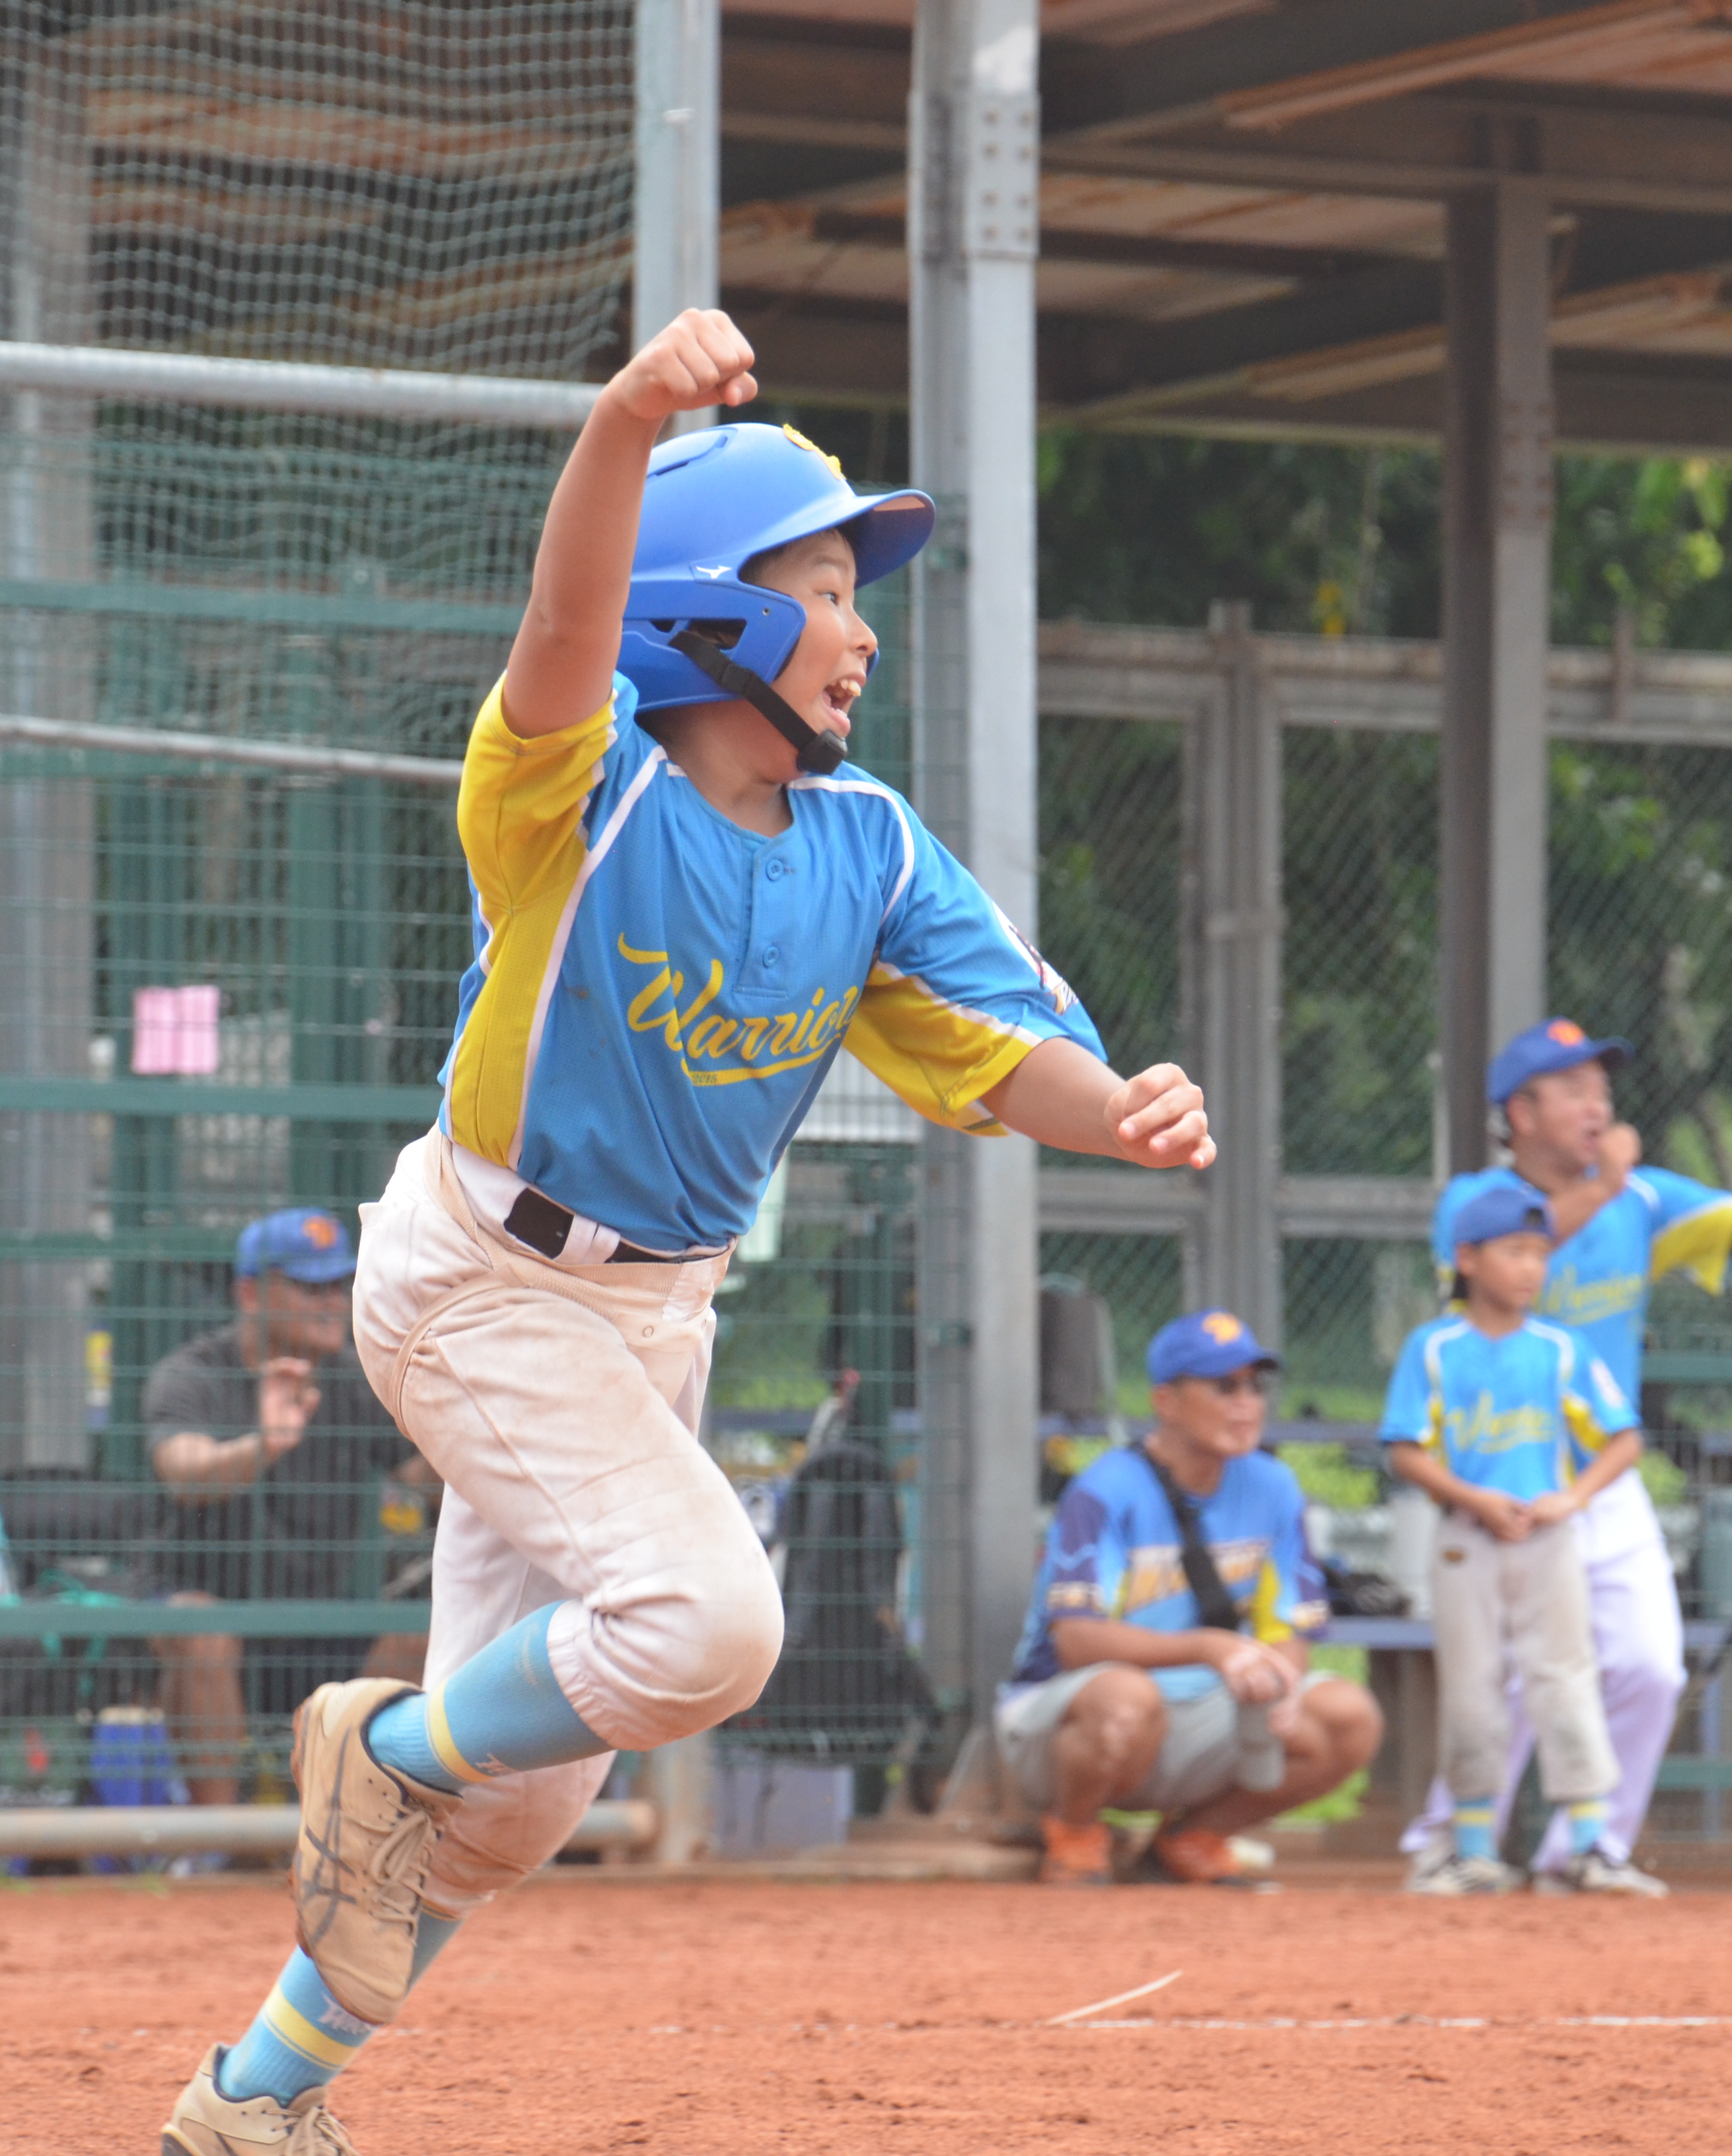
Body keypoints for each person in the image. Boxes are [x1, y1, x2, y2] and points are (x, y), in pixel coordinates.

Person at [158, 311, 1213, 2156]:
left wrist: (1117, 1111)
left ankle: (256, 2099)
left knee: (527, 1807)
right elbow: (566, 635)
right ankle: (379, 1747)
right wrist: (627, 424)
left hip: (656, 1318)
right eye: (824, 586)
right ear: (709, 613)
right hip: (483, 1279)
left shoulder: (868, 844)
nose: (866, 627)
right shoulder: (577, 798)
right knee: (710, 1630)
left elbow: (1001, 1050)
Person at [1399, 1017, 1732, 1891]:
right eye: (1574, 1089)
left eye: (1602, 1089)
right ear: (1522, 1109)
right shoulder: (1473, 1200)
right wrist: (1607, 1185)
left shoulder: (1645, 1198)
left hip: (1596, 1475)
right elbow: (1495, 1258)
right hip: (1495, 1477)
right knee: (1505, 1675)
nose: (1598, 1106)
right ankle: (1450, 1842)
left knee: (1648, 1666)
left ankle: (1587, 1851)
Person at [998, 1310, 1379, 1888]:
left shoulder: (1273, 1487)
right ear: (1167, 1402)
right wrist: (1211, 1648)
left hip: (1198, 1712)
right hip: (1065, 1721)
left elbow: (1287, 1626)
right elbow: (1076, 1642)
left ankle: (1192, 1839)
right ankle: (1074, 1831)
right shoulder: (1105, 1491)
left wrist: (1283, 1683)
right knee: (1126, 1699)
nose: (1246, 1404)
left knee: (1348, 1718)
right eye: (1223, 1387)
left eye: (1254, 1387)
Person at [1383, 1185, 1651, 1896]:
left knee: (1564, 1679)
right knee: (1472, 1688)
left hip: (1547, 1537)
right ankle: (1472, 1850)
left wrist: (1572, 1497)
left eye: (1538, 1253)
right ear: (1466, 1259)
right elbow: (1403, 1450)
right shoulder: (1434, 1347)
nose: (1530, 1268)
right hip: (1465, 1538)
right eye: (1512, 1252)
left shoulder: (1560, 1349)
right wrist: (1471, 1496)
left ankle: (1590, 1847)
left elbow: (1622, 1439)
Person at [145, 1206, 416, 1809]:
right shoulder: (192, 1374)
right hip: (209, 1615)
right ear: (249, 1291)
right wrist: (262, 1446)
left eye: (337, 1285)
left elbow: (429, 1477)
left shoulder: (355, 1377)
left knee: (417, 1635)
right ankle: (219, 1848)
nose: (329, 1302)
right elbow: (184, 1471)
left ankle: (349, 1826)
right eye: (307, 1286)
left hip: (316, 1622)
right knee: (201, 1627)